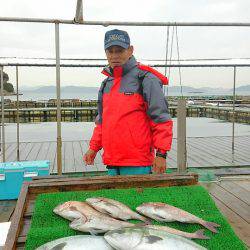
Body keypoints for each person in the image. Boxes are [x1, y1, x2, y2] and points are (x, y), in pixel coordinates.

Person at [83, 29, 173, 175]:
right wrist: (93, 148)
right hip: (112, 161)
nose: (114, 56)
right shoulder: (106, 83)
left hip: (138, 163)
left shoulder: (145, 78)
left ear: (130, 50)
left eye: (119, 50)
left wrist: (161, 154)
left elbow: (161, 119)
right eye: (110, 51)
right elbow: (102, 122)